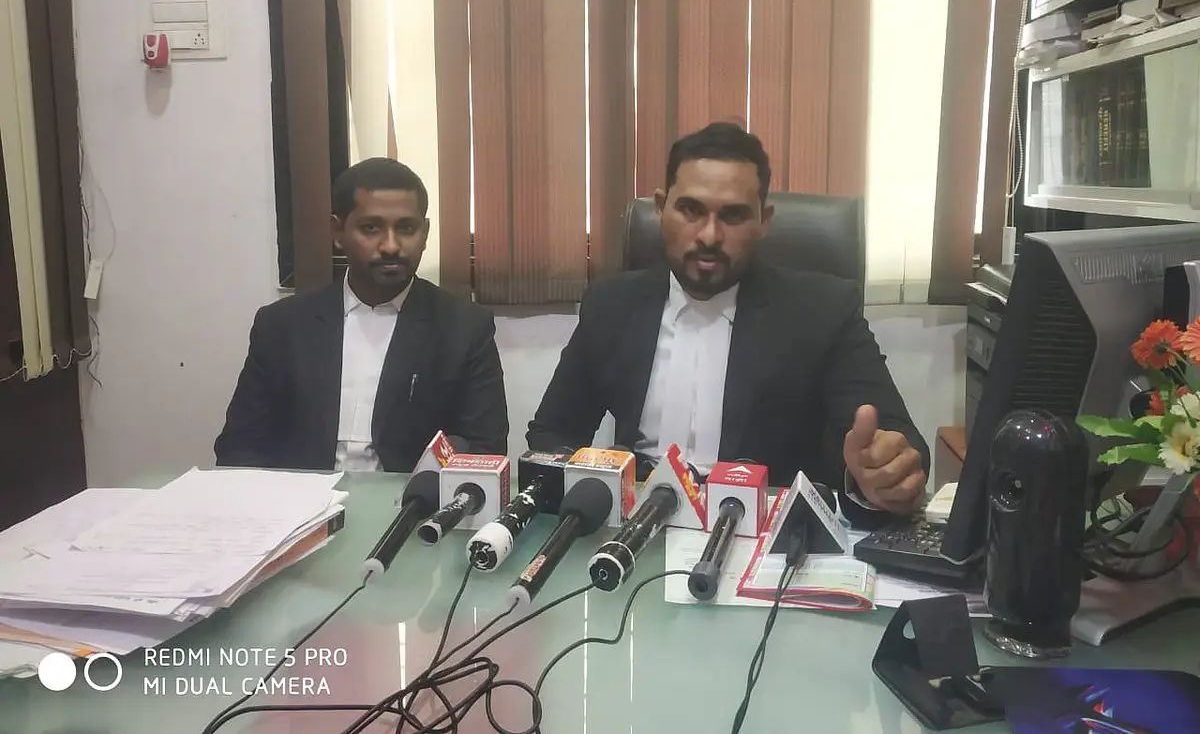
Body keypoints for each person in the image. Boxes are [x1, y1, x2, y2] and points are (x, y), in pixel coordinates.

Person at [527, 123, 927, 513]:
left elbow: (897, 445)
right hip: (638, 520)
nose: (709, 236)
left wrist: (881, 472)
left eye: (733, 216)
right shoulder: (611, 305)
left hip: (760, 528)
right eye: (691, 210)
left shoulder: (824, 310)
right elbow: (553, 433)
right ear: (662, 209)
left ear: (763, 221)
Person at [216, 158, 508, 471]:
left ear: (424, 233)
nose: (391, 246)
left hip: (409, 497)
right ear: (338, 232)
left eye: (406, 228)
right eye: (371, 228)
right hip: (300, 495)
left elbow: (485, 448)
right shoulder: (283, 325)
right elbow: (240, 446)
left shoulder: (463, 327)